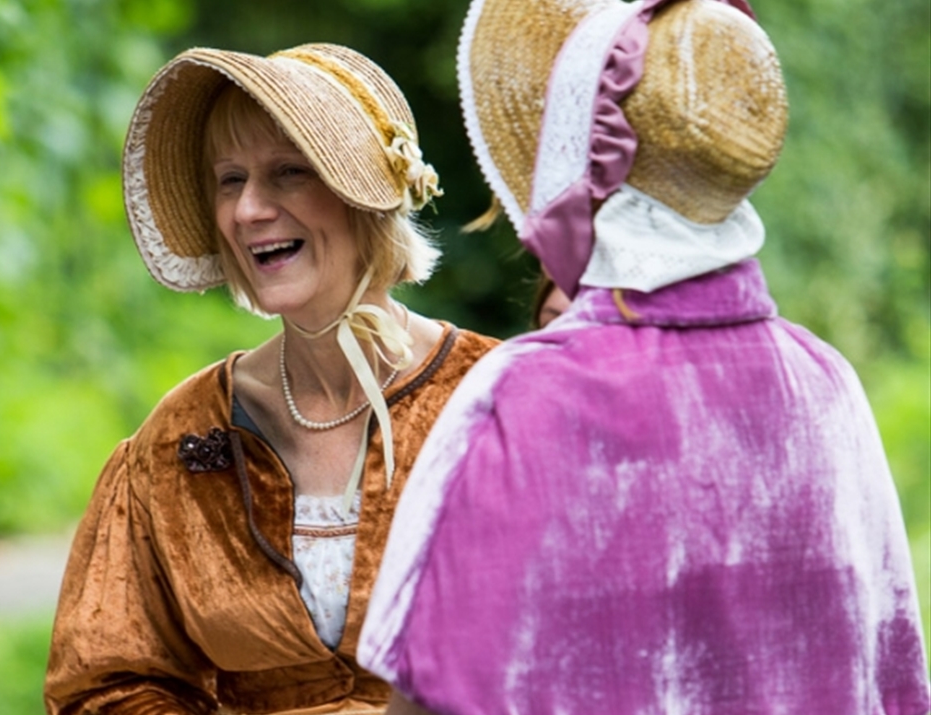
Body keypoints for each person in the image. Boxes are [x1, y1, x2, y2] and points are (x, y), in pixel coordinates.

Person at [358, 0, 931, 712]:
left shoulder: (524, 393)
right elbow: (894, 678)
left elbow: (435, 690)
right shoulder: (827, 387)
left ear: (579, 156)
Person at [44, 43, 498, 713]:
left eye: (288, 172)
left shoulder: (495, 398)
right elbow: (107, 682)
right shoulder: (181, 432)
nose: (248, 209)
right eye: (229, 179)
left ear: (363, 196)